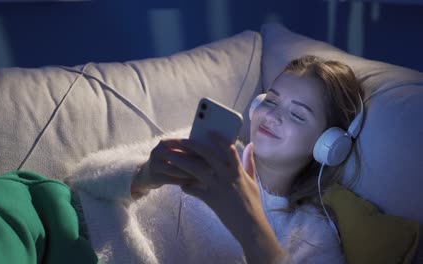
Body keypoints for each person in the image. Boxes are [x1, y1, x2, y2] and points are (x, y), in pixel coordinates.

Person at [67, 55, 363, 263]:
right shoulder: (211, 146)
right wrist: (141, 177)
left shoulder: (312, 233)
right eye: (270, 100)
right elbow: (80, 176)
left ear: (329, 144)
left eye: (297, 114)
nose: (272, 115)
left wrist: (251, 224)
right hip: (55, 218)